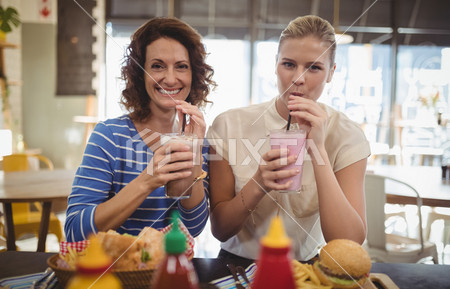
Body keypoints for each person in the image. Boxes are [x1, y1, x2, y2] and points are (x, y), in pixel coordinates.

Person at [206, 15, 370, 260]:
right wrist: (259, 182)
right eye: (289, 64)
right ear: (275, 65)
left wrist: (318, 151)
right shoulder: (229, 125)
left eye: (314, 67)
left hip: (305, 269)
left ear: (331, 73)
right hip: (236, 265)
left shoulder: (348, 135)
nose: (298, 78)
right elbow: (220, 230)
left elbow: (349, 242)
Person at [65, 17, 216, 242]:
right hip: (113, 271)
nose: (171, 78)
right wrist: (147, 180)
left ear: (193, 75)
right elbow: (75, 232)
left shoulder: (198, 141)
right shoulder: (109, 136)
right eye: (157, 66)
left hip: (170, 269)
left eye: (181, 66)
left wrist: (194, 157)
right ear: (139, 73)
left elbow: (191, 230)